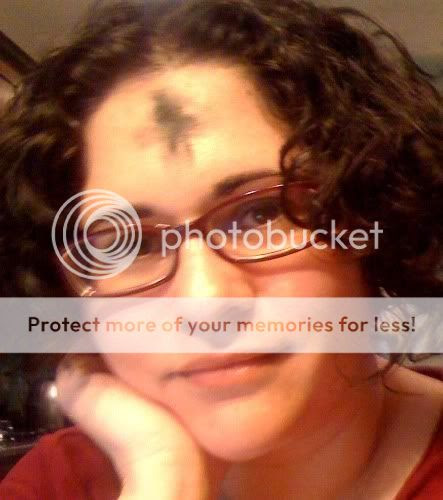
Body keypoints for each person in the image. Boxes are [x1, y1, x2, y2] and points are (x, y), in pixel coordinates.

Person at [0, 0, 442, 498]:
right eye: (133, 245)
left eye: (261, 214)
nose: (204, 303)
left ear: (367, 212)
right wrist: (161, 475)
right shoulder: (56, 482)